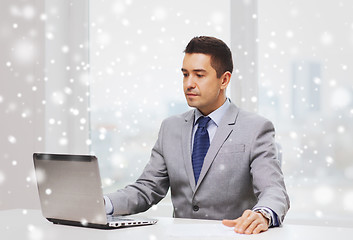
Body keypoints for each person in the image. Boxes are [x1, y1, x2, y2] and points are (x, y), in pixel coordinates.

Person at [104, 36, 290, 234]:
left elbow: (274, 190)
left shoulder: (255, 128)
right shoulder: (170, 128)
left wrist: (262, 214)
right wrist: (102, 204)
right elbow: (146, 189)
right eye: (185, 74)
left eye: (199, 75)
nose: (189, 84)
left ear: (224, 79)